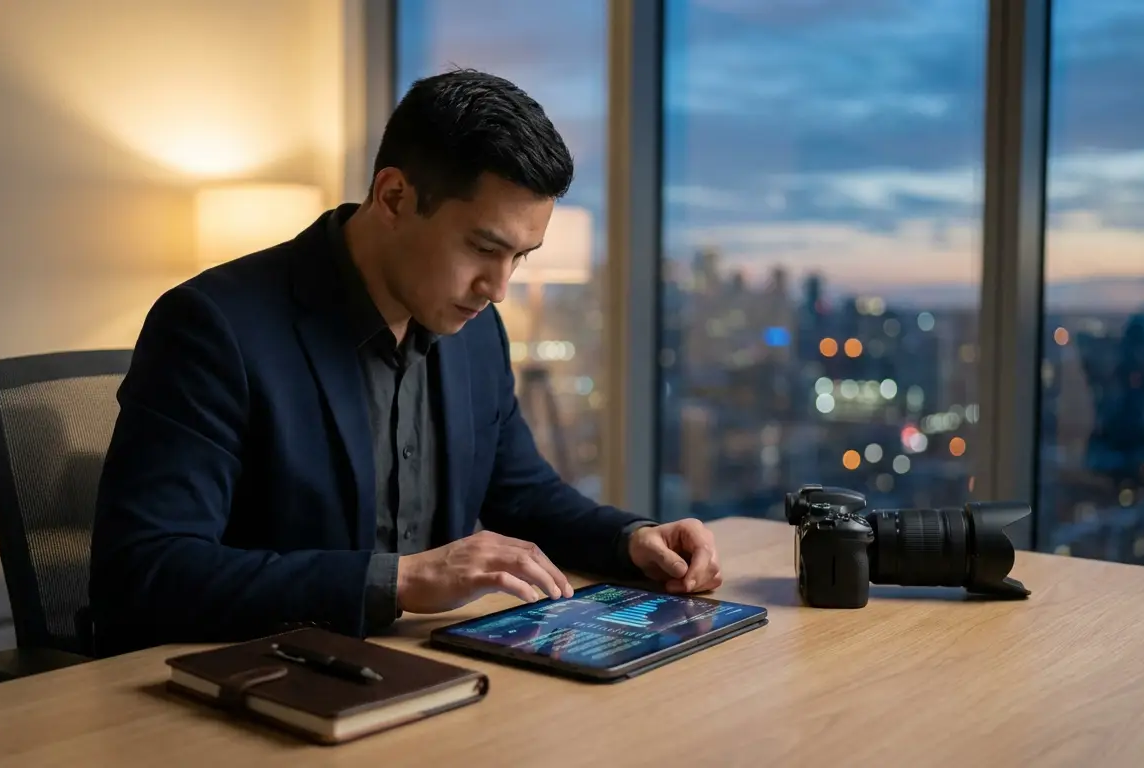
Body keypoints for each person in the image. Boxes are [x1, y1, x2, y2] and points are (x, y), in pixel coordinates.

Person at [87, 69, 723, 656]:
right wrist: (401, 579)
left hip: (418, 672)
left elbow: (525, 496)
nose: (498, 288)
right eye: (483, 247)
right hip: (258, 677)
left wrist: (632, 539)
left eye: (520, 257)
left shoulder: (476, 333)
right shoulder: (213, 327)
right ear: (392, 197)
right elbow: (146, 571)